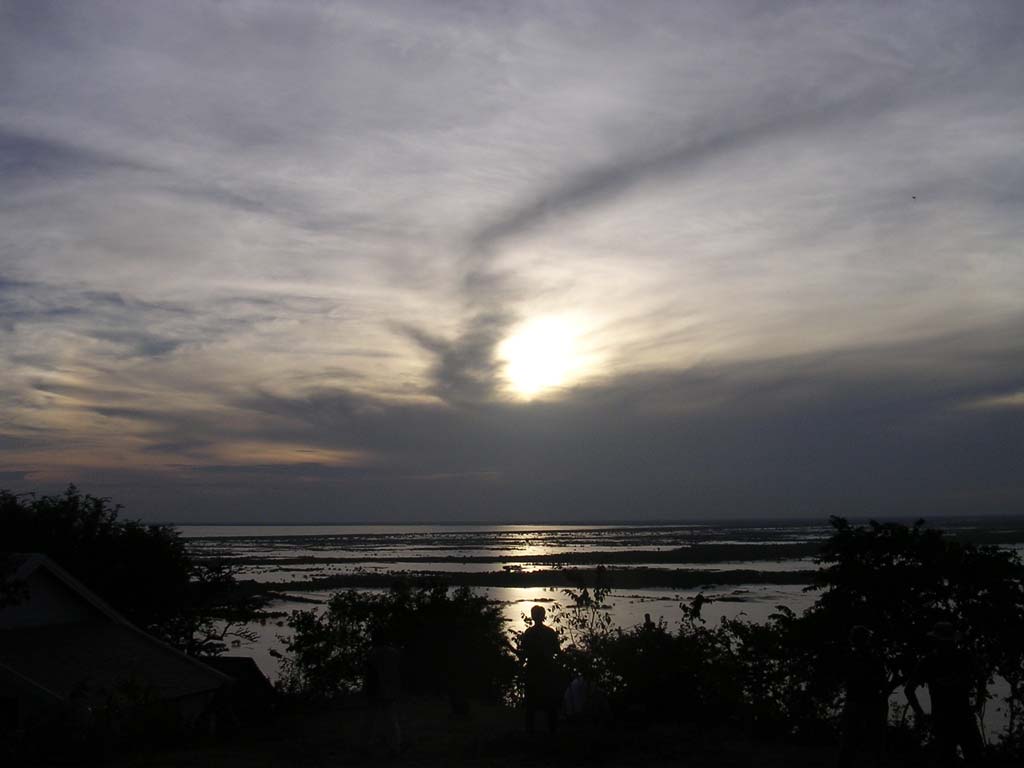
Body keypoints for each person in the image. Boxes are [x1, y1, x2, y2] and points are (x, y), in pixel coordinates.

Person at [904, 621, 984, 767]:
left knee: (950, 759)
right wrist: (978, 704)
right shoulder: (963, 657)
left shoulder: (929, 661)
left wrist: (921, 714)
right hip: (958, 717)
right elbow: (981, 678)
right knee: (972, 758)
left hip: (946, 719)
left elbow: (909, 689)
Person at [837, 625, 888, 768]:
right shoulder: (873, 659)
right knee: (872, 744)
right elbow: (882, 683)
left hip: (856, 703)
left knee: (849, 743)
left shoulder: (850, 659)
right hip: (868, 703)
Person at [519, 605, 562, 733]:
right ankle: (551, 734)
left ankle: (530, 734)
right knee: (550, 705)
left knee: (531, 706)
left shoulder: (529, 633)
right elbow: (558, 652)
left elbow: (524, 654)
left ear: (533, 616)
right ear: (543, 616)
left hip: (533, 672)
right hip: (548, 672)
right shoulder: (550, 633)